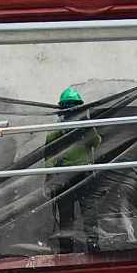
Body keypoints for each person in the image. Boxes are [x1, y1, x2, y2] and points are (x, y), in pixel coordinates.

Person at [47, 86, 101, 254]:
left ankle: (91, 245)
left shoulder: (84, 128)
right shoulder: (57, 131)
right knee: (68, 215)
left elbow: (96, 141)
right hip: (65, 178)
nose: (71, 111)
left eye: (73, 107)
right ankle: (67, 248)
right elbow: (49, 157)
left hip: (81, 176)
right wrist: (52, 177)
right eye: (69, 107)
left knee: (88, 212)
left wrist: (87, 126)